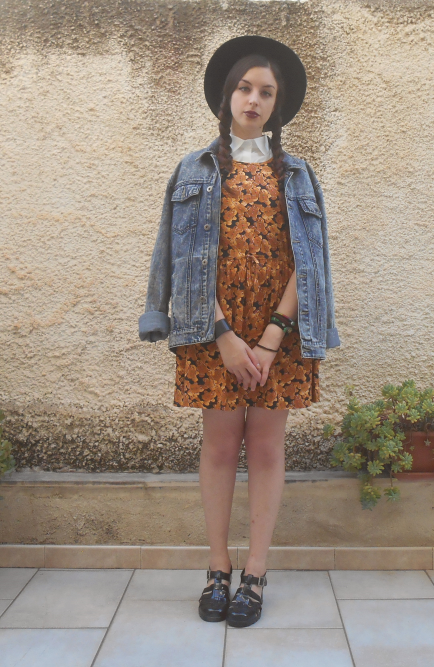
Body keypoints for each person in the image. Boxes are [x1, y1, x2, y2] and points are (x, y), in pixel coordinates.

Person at [138, 35, 340, 628]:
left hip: (281, 335)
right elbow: (179, 257)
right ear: (227, 96)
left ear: (278, 104)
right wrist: (223, 335)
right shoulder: (194, 169)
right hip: (213, 332)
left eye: (266, 92)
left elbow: (311, 262)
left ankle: (256, 570)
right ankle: (218, 567)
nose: (254, 100)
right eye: (245, 88)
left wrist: (272, 337)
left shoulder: (298, 175)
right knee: (221, 447)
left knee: (268, 448)